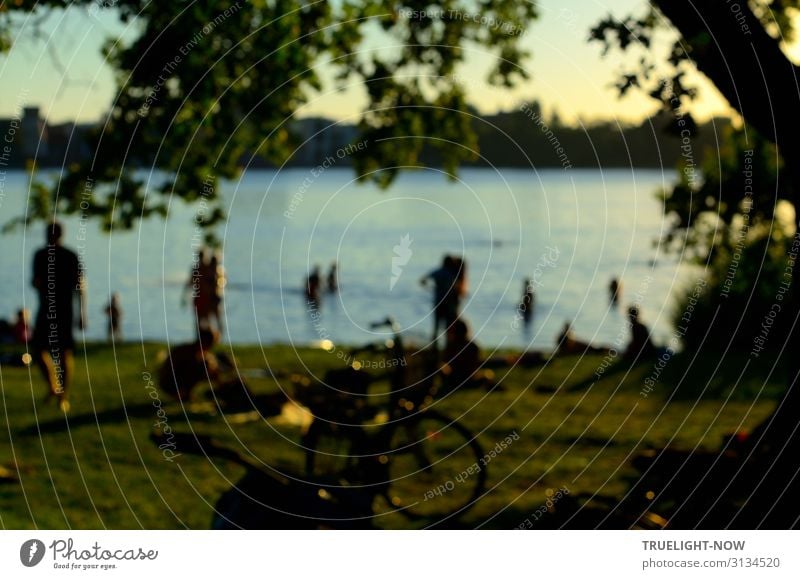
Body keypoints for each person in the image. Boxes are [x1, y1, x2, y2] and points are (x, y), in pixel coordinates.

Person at [31, 222, 85, 412]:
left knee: (63, 353)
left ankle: (63, 395)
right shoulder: (40, 255)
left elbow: (80, 285)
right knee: (39, 350)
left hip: (61, 310)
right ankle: (55, 388)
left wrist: (82, 314)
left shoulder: (68, 256)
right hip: (50, 309)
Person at [440, 318, 494, 392]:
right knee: (488, 374)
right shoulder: (470, 346)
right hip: (462, 380)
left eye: (451, 331)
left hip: (457, 380)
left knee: (488, 374)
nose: (448, 333)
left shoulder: (466, 347)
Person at [421, 255, 458, 345]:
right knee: (448, 327)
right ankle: (447, 347)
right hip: (449, 303)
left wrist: (430, 288)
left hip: (438, 301)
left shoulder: (438, 272)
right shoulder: (452, 273)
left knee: (436, 327)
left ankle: (434, 348)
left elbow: (423, 280)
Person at [208, 252, 226, 337]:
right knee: (211, 317)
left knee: (216, 317)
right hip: (212, 297)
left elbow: (223, 282)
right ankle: (213, 336)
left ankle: (219, 335)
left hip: (215, 297)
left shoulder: (219, 271)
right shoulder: (216, 270)